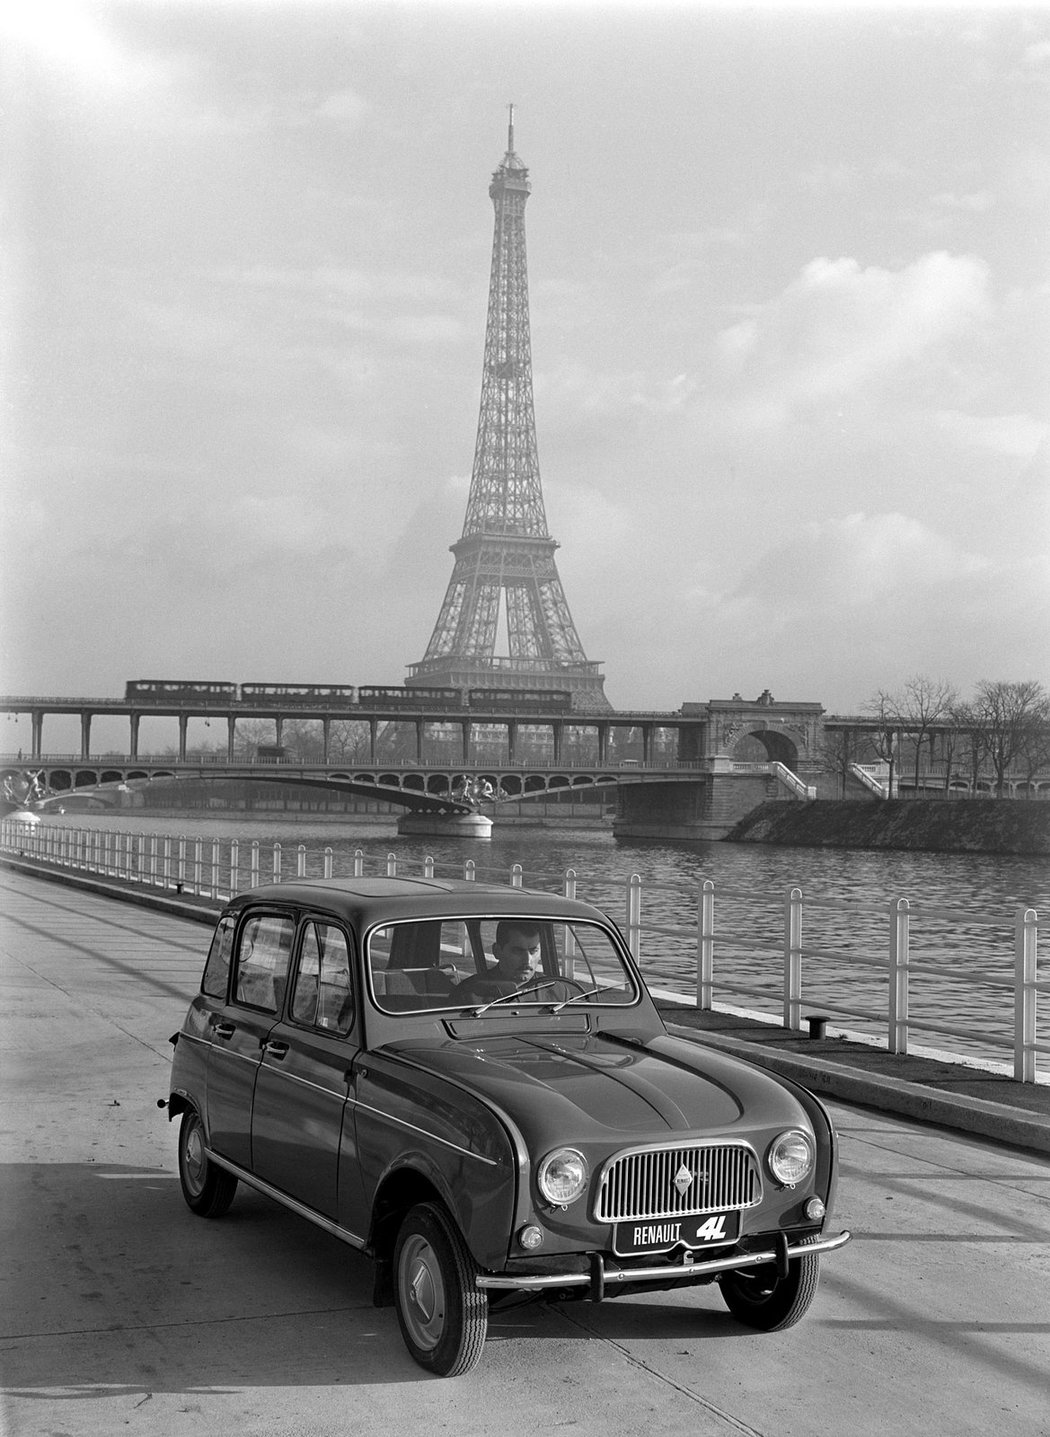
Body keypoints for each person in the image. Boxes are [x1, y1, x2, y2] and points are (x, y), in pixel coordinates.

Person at [454, 920, 573, 1004]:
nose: (527, 960)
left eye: (533, 951)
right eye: (518, 951)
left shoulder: (558, 992)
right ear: (497, 951)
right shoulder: (469, 994)